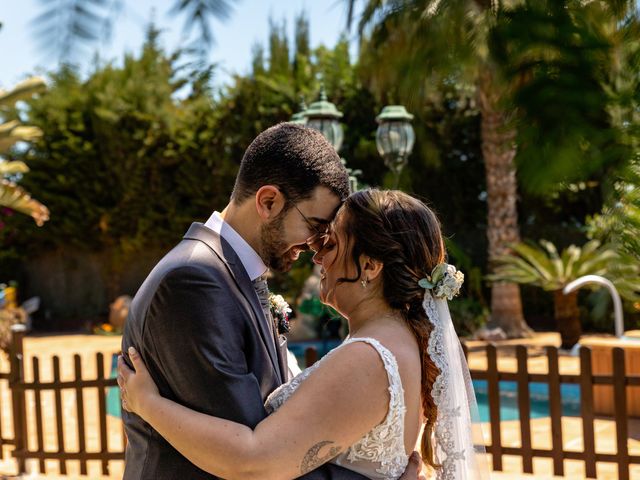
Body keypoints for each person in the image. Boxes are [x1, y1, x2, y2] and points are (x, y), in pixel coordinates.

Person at [120, 124, 423, 480]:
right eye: (315, 225)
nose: (316, 245)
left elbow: (277, 449)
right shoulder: (194, 281)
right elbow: (258, 463)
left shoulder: (233, 276)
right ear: (268, 202)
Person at [119, 189, 486, 479]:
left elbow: (254, 463)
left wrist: (148, 405)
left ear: (370, 266)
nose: (317, 257)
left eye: (331, 244)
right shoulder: (400, 342)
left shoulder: (369, 358)